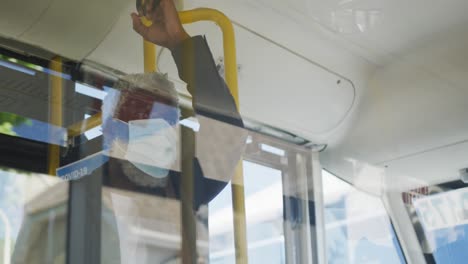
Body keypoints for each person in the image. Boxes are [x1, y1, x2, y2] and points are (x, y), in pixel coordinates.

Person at [101, 0, 244, 209]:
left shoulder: (184, 184)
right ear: (113, 127)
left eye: (167, 119)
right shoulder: (86, 188)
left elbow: (228, 133)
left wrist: (178, 40)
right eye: (143, 114)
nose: (158, 128)